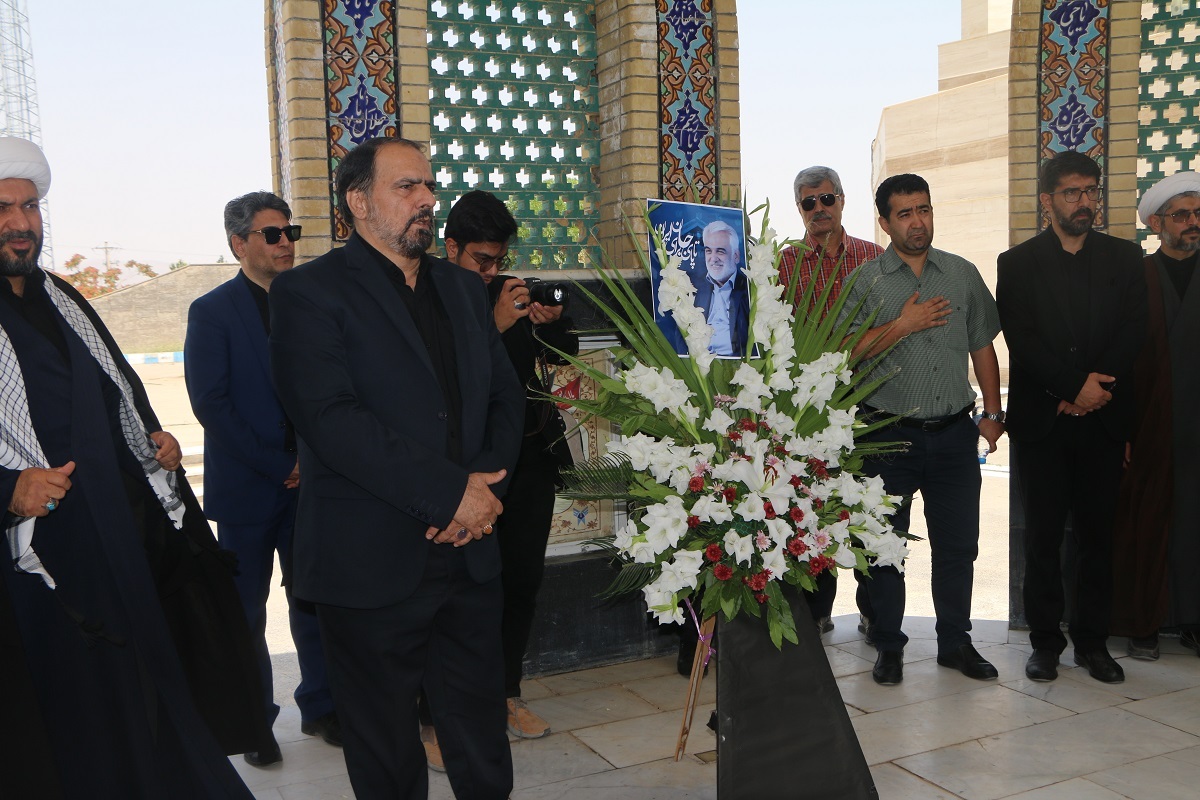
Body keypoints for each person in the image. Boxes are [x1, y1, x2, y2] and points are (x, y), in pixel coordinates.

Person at [0, 138, 265, 797]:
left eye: (29, 206)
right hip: (37, 564)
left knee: (147, 695)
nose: (20, 222)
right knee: (70, 715)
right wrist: (9, 489)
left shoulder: (63, 299)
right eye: (3, 208)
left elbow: (117, 395)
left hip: (117, 538)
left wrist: (153, 442)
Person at [268, 137, 524, 799]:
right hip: (369, 560)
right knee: (384, 747)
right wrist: (449, 496)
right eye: (407, 186)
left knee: (480, 735)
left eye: (428, 186)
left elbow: (504, 398)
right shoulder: (307, 293)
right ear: (359, 202)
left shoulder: (463, 289)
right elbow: (332, 420)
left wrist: (480, 496)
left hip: (469, 553)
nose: (427, 199)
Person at [409, 189, 577, 765]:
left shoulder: (509, 293)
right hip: (463, 471)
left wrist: (549, 324)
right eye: (482, 260)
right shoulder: (429, 295)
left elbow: (556, 360)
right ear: (450, 246)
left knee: (520, 583)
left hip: (526, 463)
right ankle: (433, 718)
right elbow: (444, 386)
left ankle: (506, 695)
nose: (491, 271)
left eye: (499, 260)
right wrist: (495, 326)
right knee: (451, 595)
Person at [185, 191, 340, 767]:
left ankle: (322, 707)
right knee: (246, 614)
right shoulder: (212, 311)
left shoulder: (311, 303)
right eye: (271, 234)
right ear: (238, 243)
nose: (284, 243)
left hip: (313, 488)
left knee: (314, 601)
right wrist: (280, 464)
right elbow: (212, 405)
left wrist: (313, 461)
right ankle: (256, 725)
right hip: (249, 490)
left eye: (289, 233)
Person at [839, 173, 1004, 687]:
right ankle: (888, 645)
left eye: (924, 210)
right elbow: (840, 351)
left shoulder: (961, 273)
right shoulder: (865, 281)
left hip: (954, 433)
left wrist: (993, 413)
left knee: (958, 547)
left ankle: (955, 643)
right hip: (886, 436)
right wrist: (901, 326)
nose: (917, 222)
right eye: (905, 213)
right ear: (885, 222)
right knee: (884, 549)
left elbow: (982, 343)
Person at [997, 150, 1146, 684]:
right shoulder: (1016, 263)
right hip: (1044, 425)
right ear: (1047, 201)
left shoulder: (1125, 258)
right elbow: (1022, 339)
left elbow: (1133, 331)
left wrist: (1092, 391)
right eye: (1071, 193)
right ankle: (1044, 644)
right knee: (1042, 540)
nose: (1084, 202)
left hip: (1103, 422)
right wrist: (1069, 388)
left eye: (1090, 191)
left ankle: (1092, 643)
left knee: (1096, 539)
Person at [777, 165, 884, 635]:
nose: (819, 209)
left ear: (842, 200)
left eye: (826, 199)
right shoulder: (783, 264)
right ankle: (816, 612)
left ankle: (874, 611)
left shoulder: (874, 257)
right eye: (809, 202)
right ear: (799, 208)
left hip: (872, 400)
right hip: (811, 409)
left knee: (867, 506)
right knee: (814, 508)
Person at [1110, 172, 1200, 660]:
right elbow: (1120, 359)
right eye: (1180, 214)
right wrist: (1124, 428)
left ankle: (1194, 621)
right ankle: (1144, 622)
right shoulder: (1136, 279)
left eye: (1197, 213)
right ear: (1157, 223)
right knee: (1145, 522)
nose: (1191, 222)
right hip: (1149, 423)